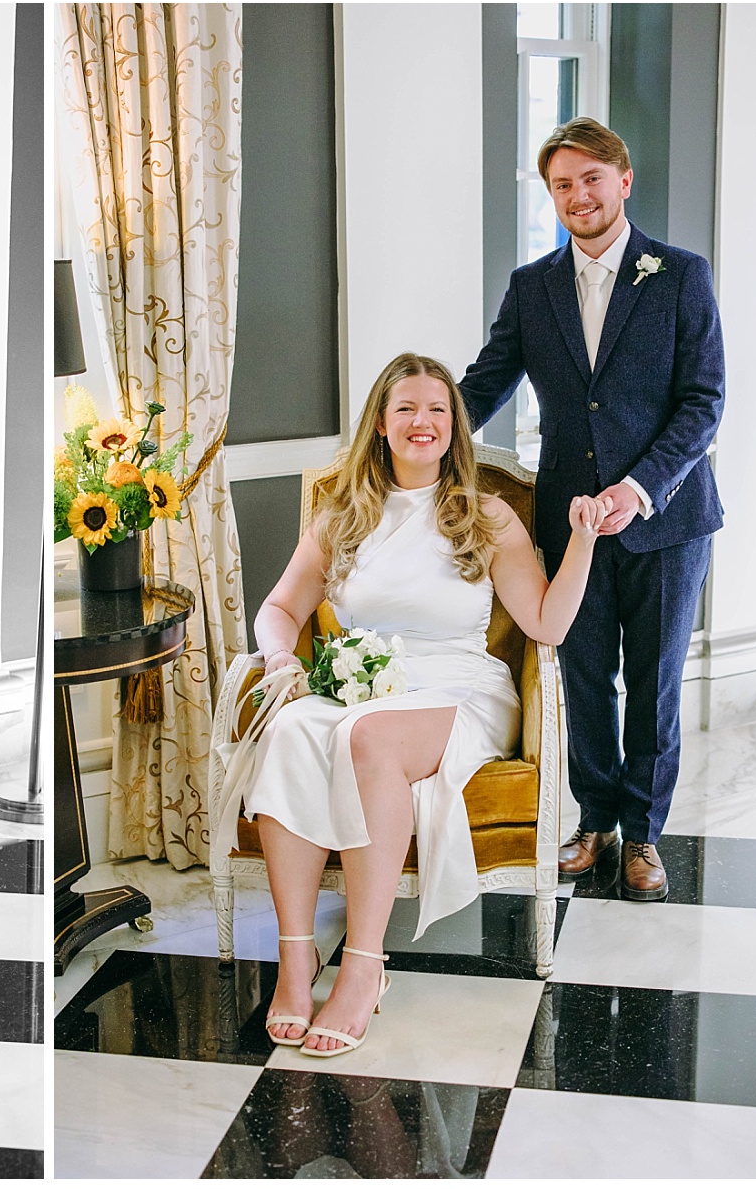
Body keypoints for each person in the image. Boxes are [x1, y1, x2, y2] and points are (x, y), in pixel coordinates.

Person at [246, 353, 608, 1056]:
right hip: (367, 684)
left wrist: (584, 541)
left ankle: (364, 964)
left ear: (454, 427)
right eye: (407, 408)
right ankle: (296, 959)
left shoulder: (487, 515)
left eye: (438, 410)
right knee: (290, 730)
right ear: (382, 424)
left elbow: (547, 626)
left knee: (370, 742)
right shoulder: (342, 515)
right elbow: (281, 607)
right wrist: (281, 654)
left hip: (459, 689)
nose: (424, 422)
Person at [459, 117, 724, 901]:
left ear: (623, 179)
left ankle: (642, 834)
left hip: (666, 524)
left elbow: (702, 404)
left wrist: (637, 489)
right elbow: (485, 381)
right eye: (562, 185)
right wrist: (421, 431)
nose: (578, 196)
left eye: (591, 180)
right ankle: (596, 817)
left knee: (654, 682)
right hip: (565, 526)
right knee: (581, 678)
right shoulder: (530, 286)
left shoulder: (681, 275)